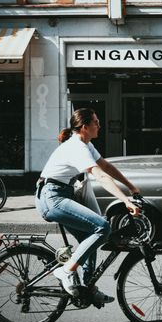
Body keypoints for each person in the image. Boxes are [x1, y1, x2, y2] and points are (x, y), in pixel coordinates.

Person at [35, 108, 140, 304]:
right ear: (85, 127)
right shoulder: (77, 147)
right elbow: (99, 175)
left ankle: (86, 288)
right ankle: (66, 271)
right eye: (96, 122)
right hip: (52, 197)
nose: (99, 125)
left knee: (90, 238)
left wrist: (131, 187)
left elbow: (106, 167)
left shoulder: (86, 144)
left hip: (61, 194)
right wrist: (125, 200)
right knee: (102, 227)